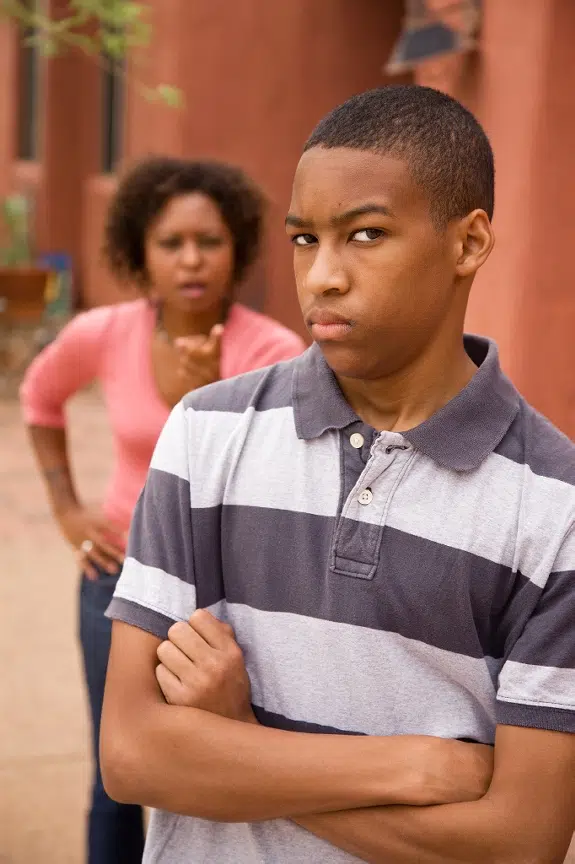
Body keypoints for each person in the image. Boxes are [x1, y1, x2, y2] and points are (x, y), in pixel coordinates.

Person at [101, 86, 575, 863]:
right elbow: (132, 756)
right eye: (303, 239)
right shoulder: (206, 433)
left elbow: (518, 842)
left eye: (364, 235)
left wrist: (237, 739)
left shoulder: (554, 508)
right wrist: (409, 766)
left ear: (467, 243)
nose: (321, 276)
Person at [20, 155, 306, 864]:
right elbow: (39, 397)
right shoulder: (106, 331)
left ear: (237, 249)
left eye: (209, 241)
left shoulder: (274, 352)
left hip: (228, 596)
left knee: (215, 769)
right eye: (171, 243)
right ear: (140, 252)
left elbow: (280, 482)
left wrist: (204, 404)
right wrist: (67, 510)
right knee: (115, 773)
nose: (191, 260)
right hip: (115, 579)